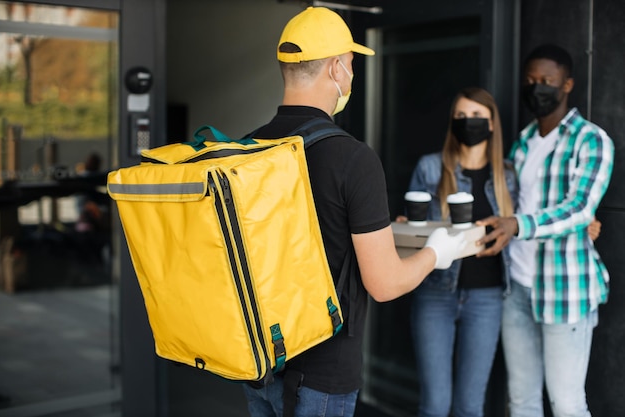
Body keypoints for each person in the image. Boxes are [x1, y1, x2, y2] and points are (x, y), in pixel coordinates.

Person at [241, 6, 467, 417]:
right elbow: (384, 284)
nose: (351, 74)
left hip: (259, 362)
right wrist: (438, 251)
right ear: (334, 70)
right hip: (321, 377)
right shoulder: (352, 158)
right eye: (350, 64)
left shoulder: (247, 149)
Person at [477, 44, 614, 417]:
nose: (537, 88)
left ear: (567, 84)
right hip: (516, 286)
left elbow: (579, 207)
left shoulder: (591, 140)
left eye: (547, 81)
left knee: (567, 404)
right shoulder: (522, 143)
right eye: (530, 81)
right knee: (521, 402)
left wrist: (518, 224)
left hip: (564, 289)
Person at [397, 87, 517, 417]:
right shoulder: (431, 168)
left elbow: (527, 222)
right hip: (435, 294)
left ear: (492, 124)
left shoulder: (508, 175)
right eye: (461, 117)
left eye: (478, 116)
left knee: (469, 406)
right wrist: (408, 226)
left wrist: (588, 222)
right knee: (435, 406)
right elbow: (414, 228)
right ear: (452, 122)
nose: (469, 123)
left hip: (487, 299)